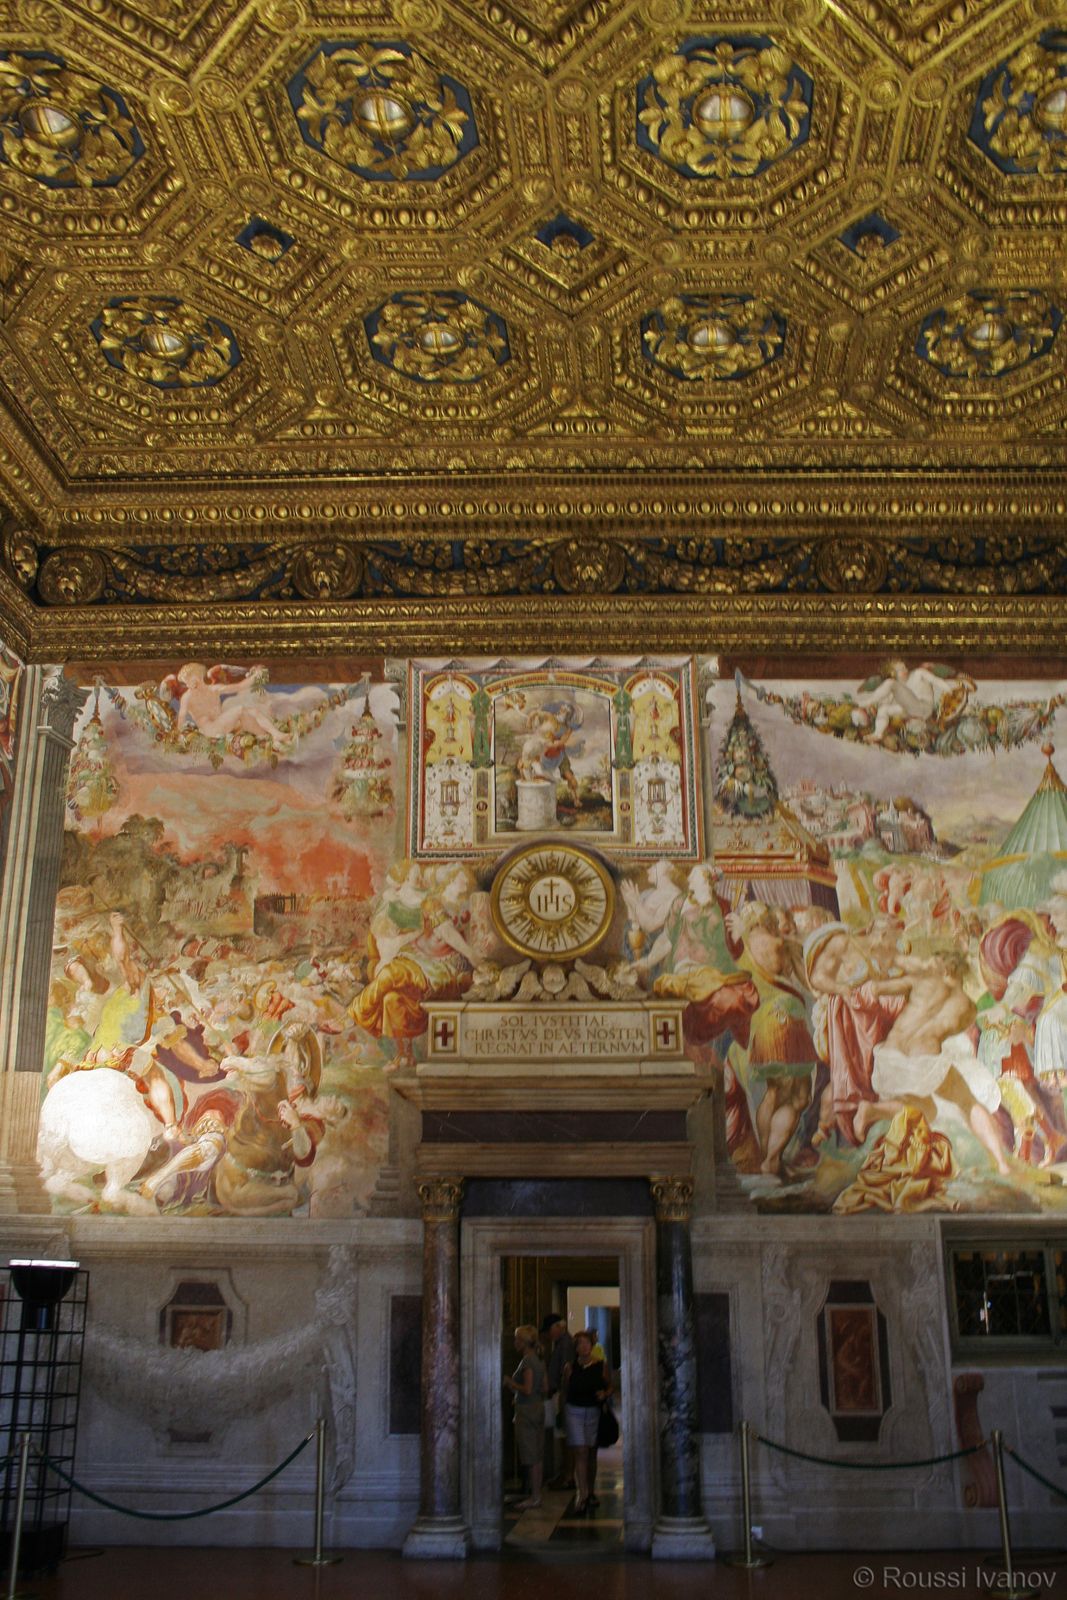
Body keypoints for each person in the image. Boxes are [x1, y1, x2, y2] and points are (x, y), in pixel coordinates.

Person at [562, 1328, 613, 1516]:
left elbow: (610, 1386)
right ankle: (582, 1495)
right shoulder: (569, 1367)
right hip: (574, 1411)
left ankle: (590, 1491)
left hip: (593, 1411)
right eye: (580, 1344)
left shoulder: (601, 1365)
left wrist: (604, 1394)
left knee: (591, 1452)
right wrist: (562, 1414)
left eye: (586, 1343)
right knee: (581, 1451)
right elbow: (566, 1391)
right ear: (576, 1348)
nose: (583, 1346)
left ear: (592, 1345)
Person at [503, 1325, 545, 1510]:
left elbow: (527, 1389)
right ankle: (536, 1494)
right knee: (537, 1455)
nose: (514, 1342)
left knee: (531, 1455)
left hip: (527, 1410)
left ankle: (535, 1497)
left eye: (517, 1339)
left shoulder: (527, 1361)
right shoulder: (539, 1360)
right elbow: (544, 1387)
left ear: (523, 1342)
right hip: (537, 1408)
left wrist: (510, 1382)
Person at [541, 1313, 575, 1488]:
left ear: (558, 1327)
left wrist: (562, 1396)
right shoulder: (561, 1343)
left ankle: (568, 1476)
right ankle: (564, 1474)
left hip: (563, 1395)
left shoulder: (566, 1344)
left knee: (565, 1437)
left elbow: (566, 1372)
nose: (548, 1335)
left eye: (549, 1330)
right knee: (562, 1436)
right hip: (559, 1395)